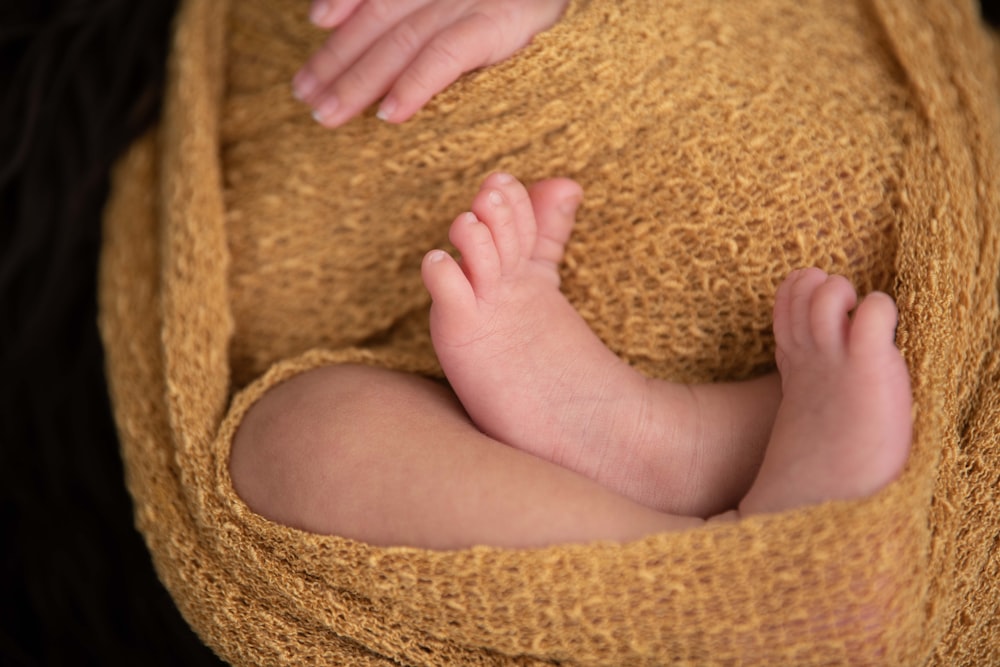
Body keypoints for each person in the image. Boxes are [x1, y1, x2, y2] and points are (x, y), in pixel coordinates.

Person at [227, 0, 913, 551]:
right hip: (416, 379)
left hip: (817, 212)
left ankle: (690, 465)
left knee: (913, 324)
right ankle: (692, 530)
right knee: (291, 442)